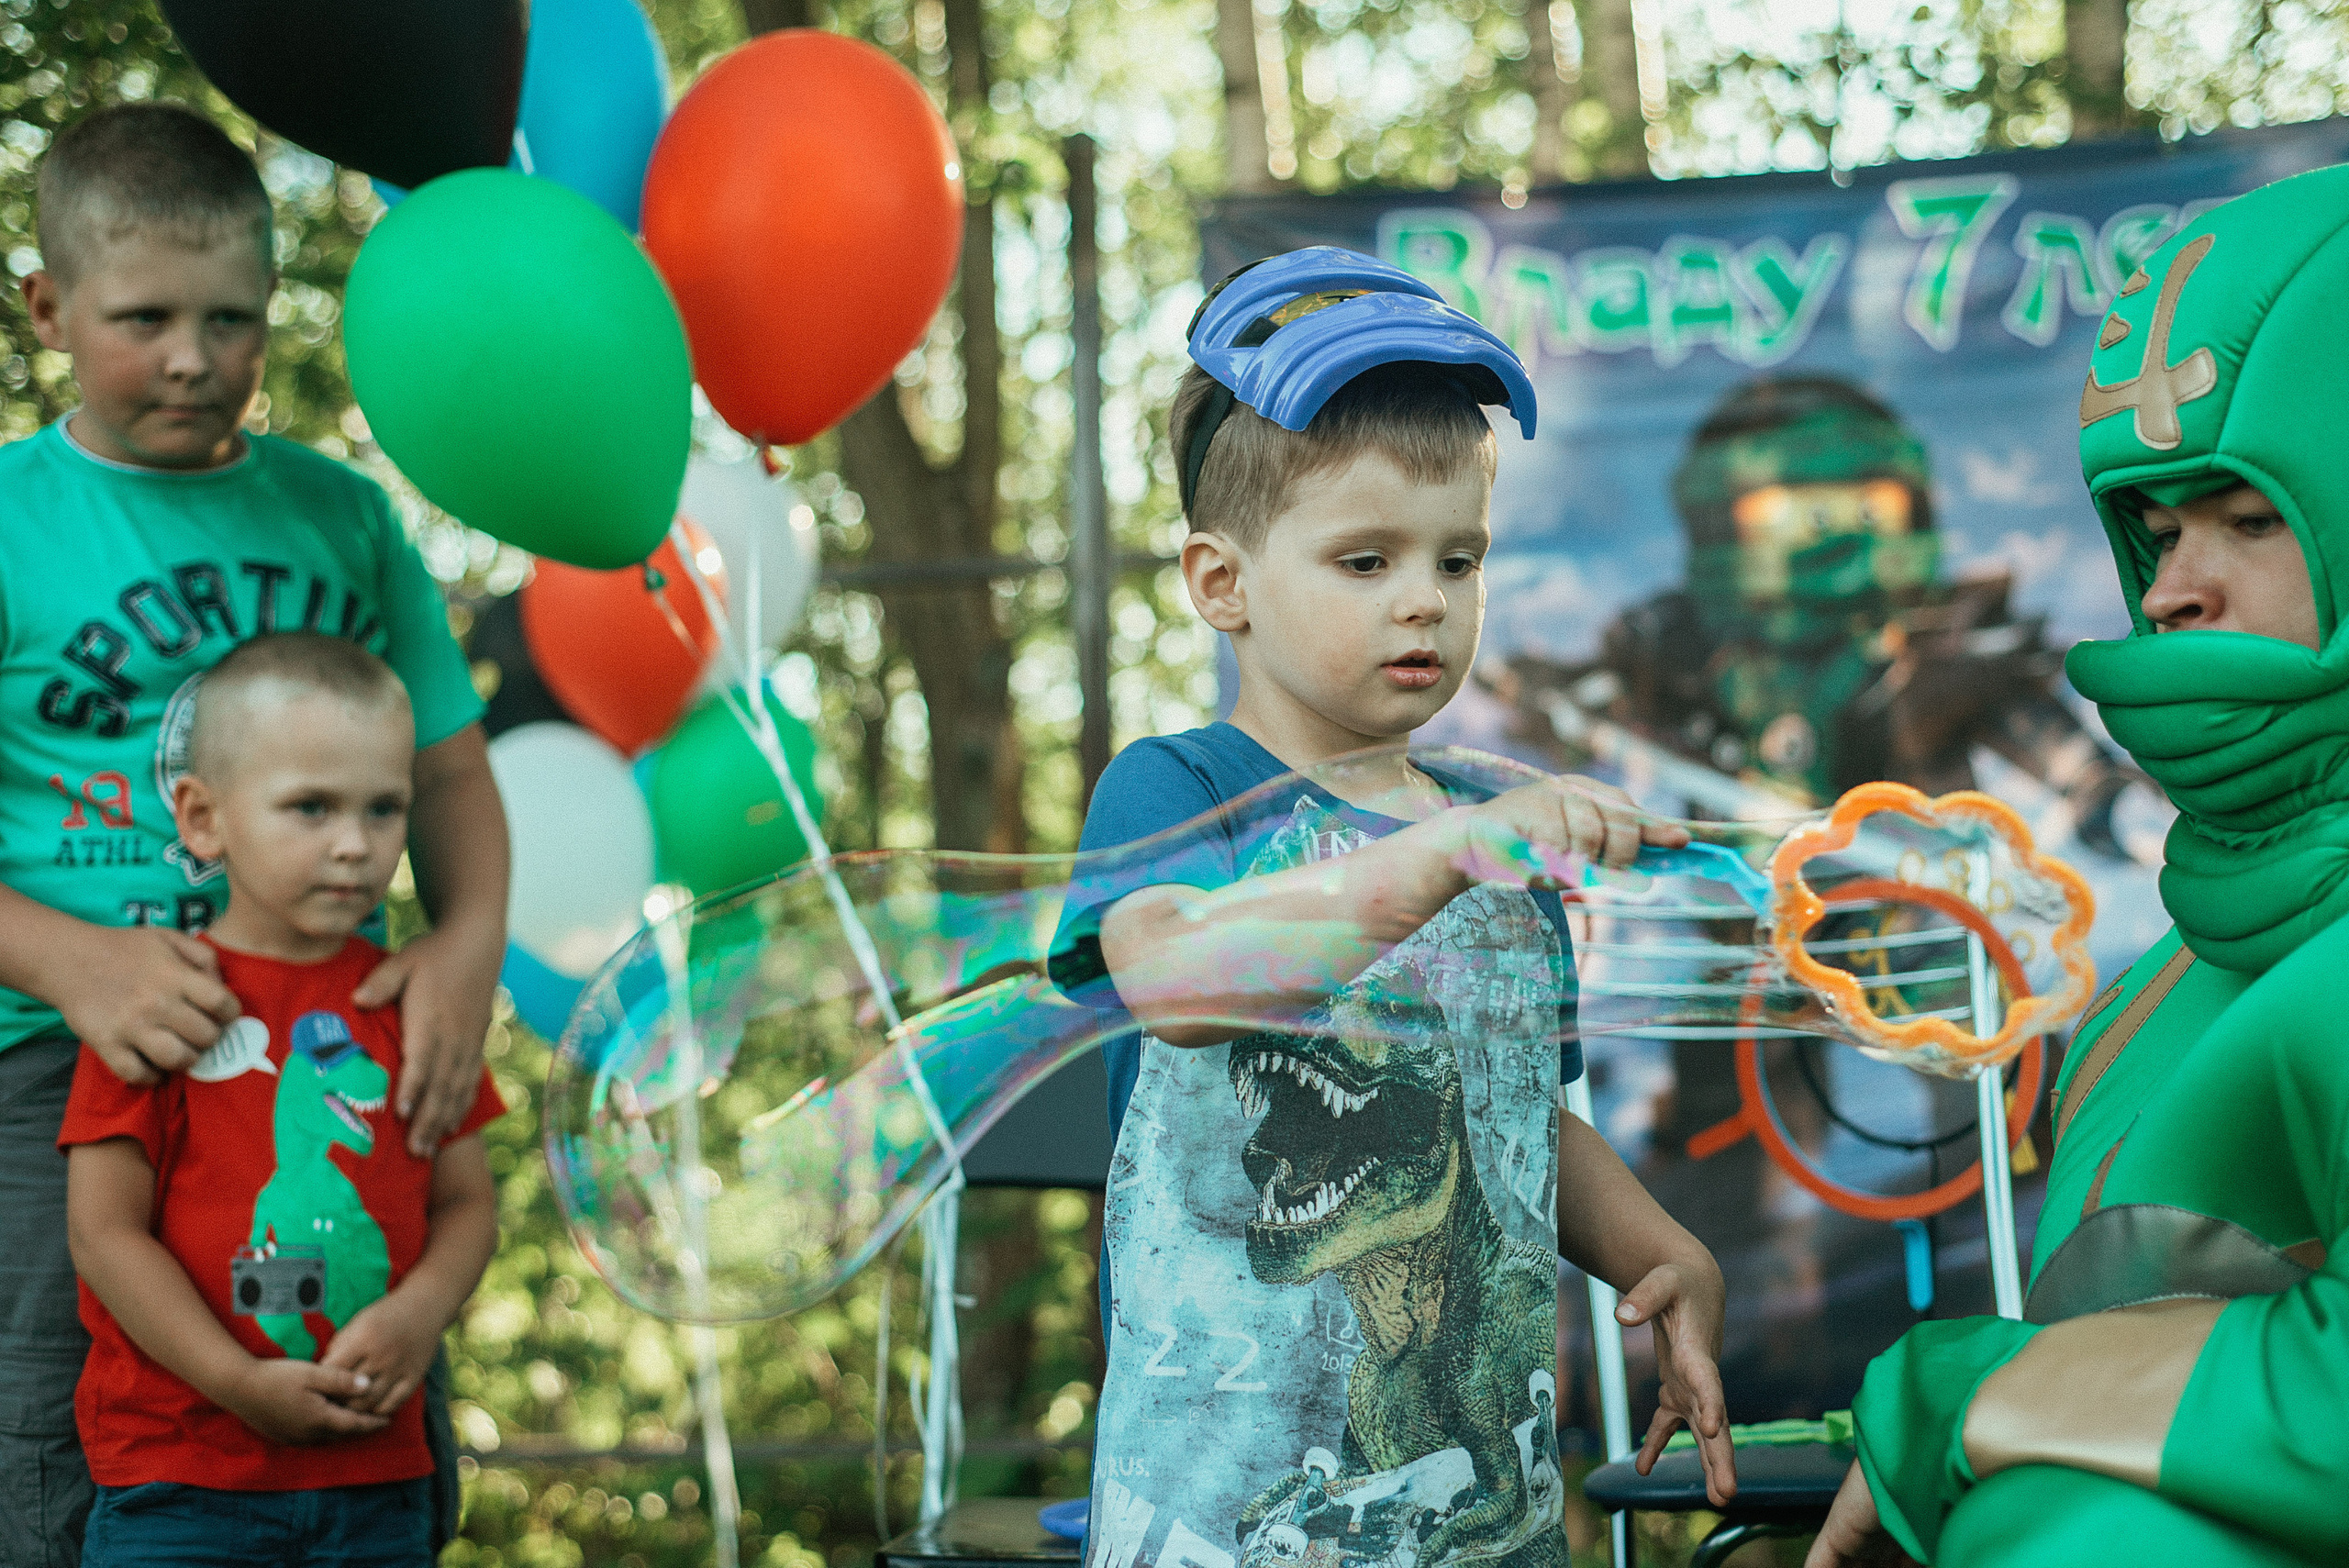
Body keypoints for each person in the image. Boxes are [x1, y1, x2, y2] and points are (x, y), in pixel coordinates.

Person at [1052, 249, 1735, 1568]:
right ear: (1220, 583)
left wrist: (1664, 1252)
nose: (1425, 597)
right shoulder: (1182, 792)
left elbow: (1511, 1117)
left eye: (1458, 559)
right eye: (1365, 559)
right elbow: (1180, 983)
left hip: (1485, 1525)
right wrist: (1442, 858)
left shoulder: (1493, 819)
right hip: (1224, 1523)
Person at [1808, 166, 2349, 1566]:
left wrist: (1966, 1396)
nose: (2174, 586)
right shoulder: (2167, 977)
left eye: (2248, 515)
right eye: (2160, 529)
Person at [0, 103, 508, 1564]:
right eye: (144, 315)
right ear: (48, 307)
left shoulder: (337, 519)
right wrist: (73, 965)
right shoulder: (18, 520)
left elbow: (454, 777)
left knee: (349, 1374)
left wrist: (466, 944)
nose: (192, 357)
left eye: (232, 318)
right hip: (60, 1060)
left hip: (329, 1024)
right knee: (59, 1428)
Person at [61, 632, 503, 1567]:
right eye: (312, 805)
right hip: (179, 1486)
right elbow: (104, 1231)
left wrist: (420, 1310)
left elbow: (467, 1199)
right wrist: (237, 1379)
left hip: (376, 1487)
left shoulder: (414, 1006)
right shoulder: (157, 1002)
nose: (356, 842)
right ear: (203, 816)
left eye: (384, 807)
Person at [1520, 374, 2140, 849]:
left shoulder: (1951, 648)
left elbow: (2080, 775)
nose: (1832, 539)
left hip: (1913, 935)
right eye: (1792, 515)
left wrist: (2113, 812)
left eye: (1870, 508)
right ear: (1723, 523)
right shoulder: (1675, 650)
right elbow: (1566, 733)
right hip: (1730, 943)